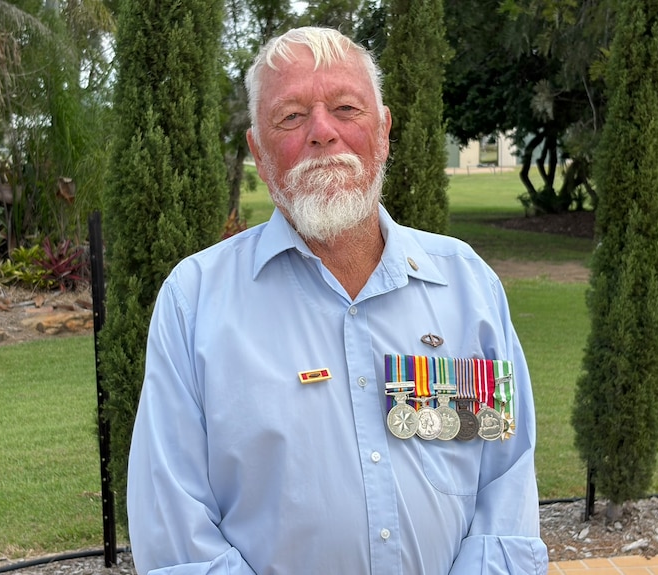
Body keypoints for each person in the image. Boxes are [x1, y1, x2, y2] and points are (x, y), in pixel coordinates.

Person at [127, 26, 548, 575]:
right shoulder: (194, 303)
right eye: (291, 116)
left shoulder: (467, 288)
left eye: (346, 107)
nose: (322, 132)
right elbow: (176, 535)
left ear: (384, 129)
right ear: (258, 148)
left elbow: (504, 485)